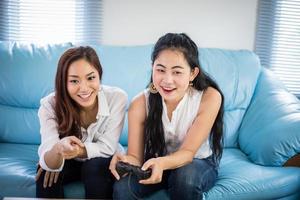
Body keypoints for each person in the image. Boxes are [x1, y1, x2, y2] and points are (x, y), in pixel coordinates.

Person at [109, 33, 224, 200]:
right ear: (152, 67)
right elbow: (136, 157)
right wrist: (124, 161)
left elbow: (188, 152)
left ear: (192, 73)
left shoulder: (209, 97)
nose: (167, 80)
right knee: (123, 187)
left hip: (196, 161)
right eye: (160, 70)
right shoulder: (139, 103)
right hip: (154, 161)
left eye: (177, 72)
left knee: (185, 178)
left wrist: (162, 163)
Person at [35, 46, 127, 199]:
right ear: (63, 82)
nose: (84, 88)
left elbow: (108, 147)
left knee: (94, 167)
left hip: (101, 159)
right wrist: (57, 150)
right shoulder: (49, 105)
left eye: (91, 78)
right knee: (46, 173)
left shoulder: (117, 98)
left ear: (99, 76)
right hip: (67, 158)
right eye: (74, 81)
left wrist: (78, 151)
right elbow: (48, 152)